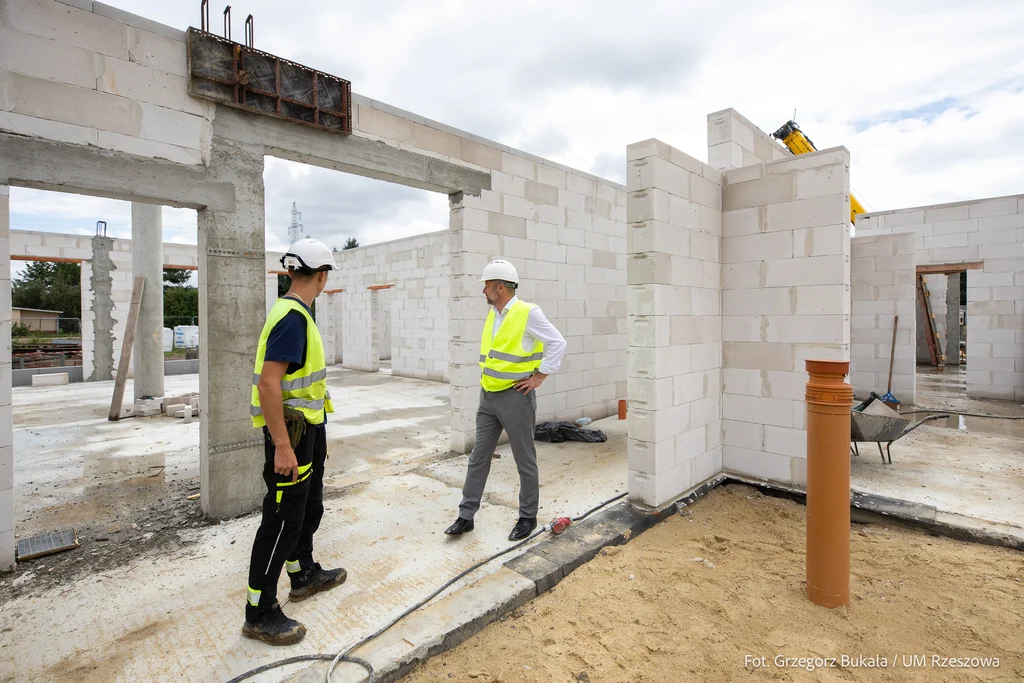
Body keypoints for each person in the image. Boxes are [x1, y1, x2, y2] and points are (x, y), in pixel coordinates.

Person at [242, 238, 347, 646]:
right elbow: (269, 384)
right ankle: (259, 611)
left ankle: (302, 573)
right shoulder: (292, 318)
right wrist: (283, 446)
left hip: (308, 432)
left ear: (290, 272)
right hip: (291, 438)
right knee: (282, 519)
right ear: (322, 277)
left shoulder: (298, 314)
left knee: (308, 508)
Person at [445, 259, 567, 542]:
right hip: (488, 397)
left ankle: (527, 517)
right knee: (478, 458)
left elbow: (557, 342)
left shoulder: (528, 313)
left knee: (524, 459)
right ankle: (466, 516)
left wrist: (540, 376)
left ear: (499, 287)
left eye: (486, 285)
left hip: (516, 398)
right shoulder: (494, 314)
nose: (482, 291)